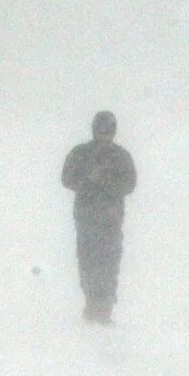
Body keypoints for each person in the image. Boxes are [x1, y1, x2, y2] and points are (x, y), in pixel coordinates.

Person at [58, 110, 138, 324]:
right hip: (87, 218)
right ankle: (93, 301)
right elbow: (67, 179)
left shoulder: (120, 156)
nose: (104, 135)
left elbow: (129, 185)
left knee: (108, 260)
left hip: (109, 220)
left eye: (107, 131)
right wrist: (89, 180)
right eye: (101, 131)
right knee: (88, 259)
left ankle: (104, 304)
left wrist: (104, 182)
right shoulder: (80, 153)